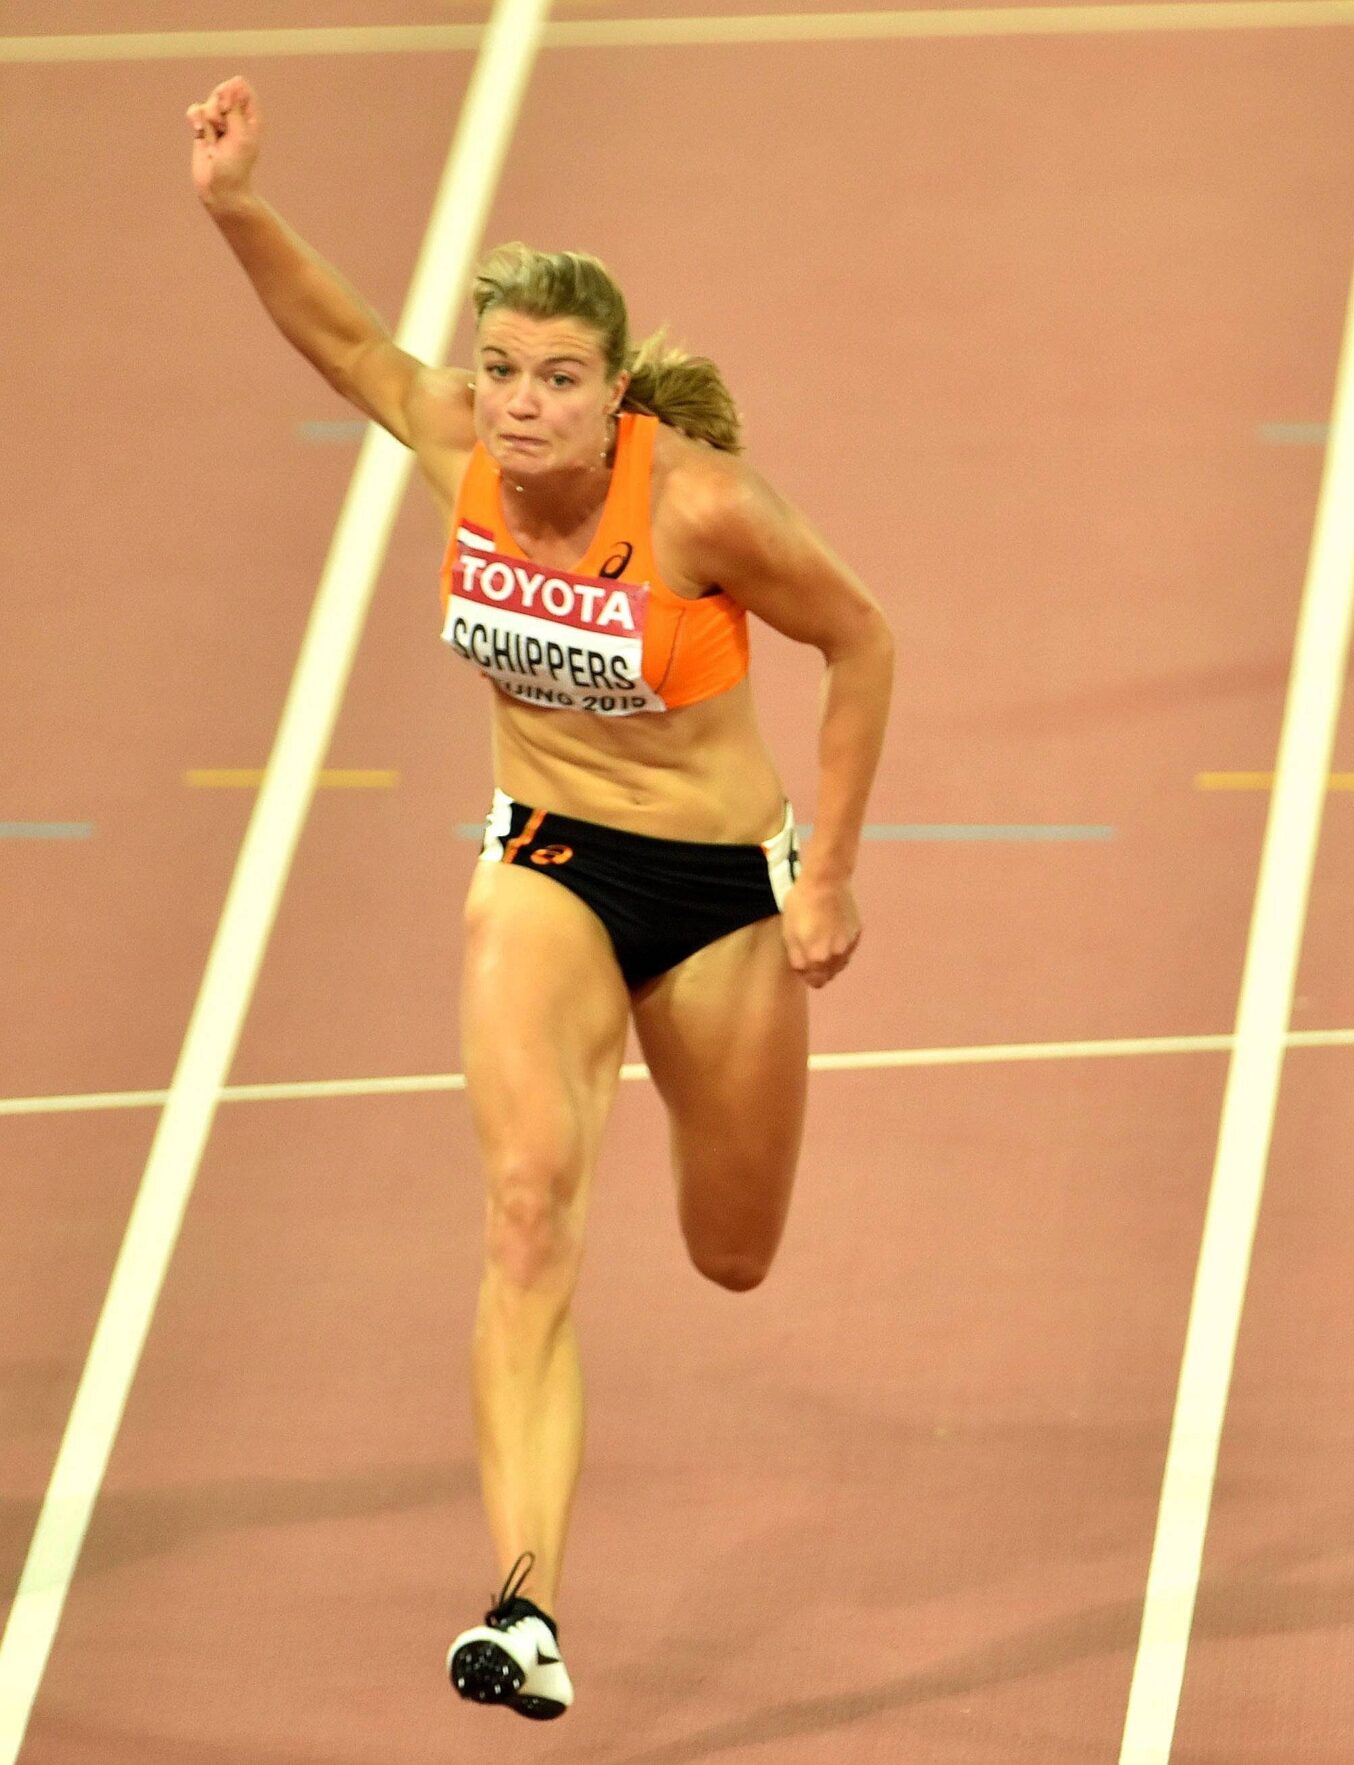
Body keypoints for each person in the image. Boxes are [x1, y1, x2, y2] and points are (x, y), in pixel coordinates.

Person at [188, 75, 894, 1721]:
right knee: (524, 1208)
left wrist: (832, 875)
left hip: (722, 894)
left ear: (615, 390)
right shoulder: (459, 447)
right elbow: (352, 345)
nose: (515, 406)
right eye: (500, 370)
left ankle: (690, 1082)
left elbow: (864, 638)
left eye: (555, 380)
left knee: (734, 1255)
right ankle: (525, 1605)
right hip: (549, 865)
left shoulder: (701, 505)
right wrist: (235, 205)